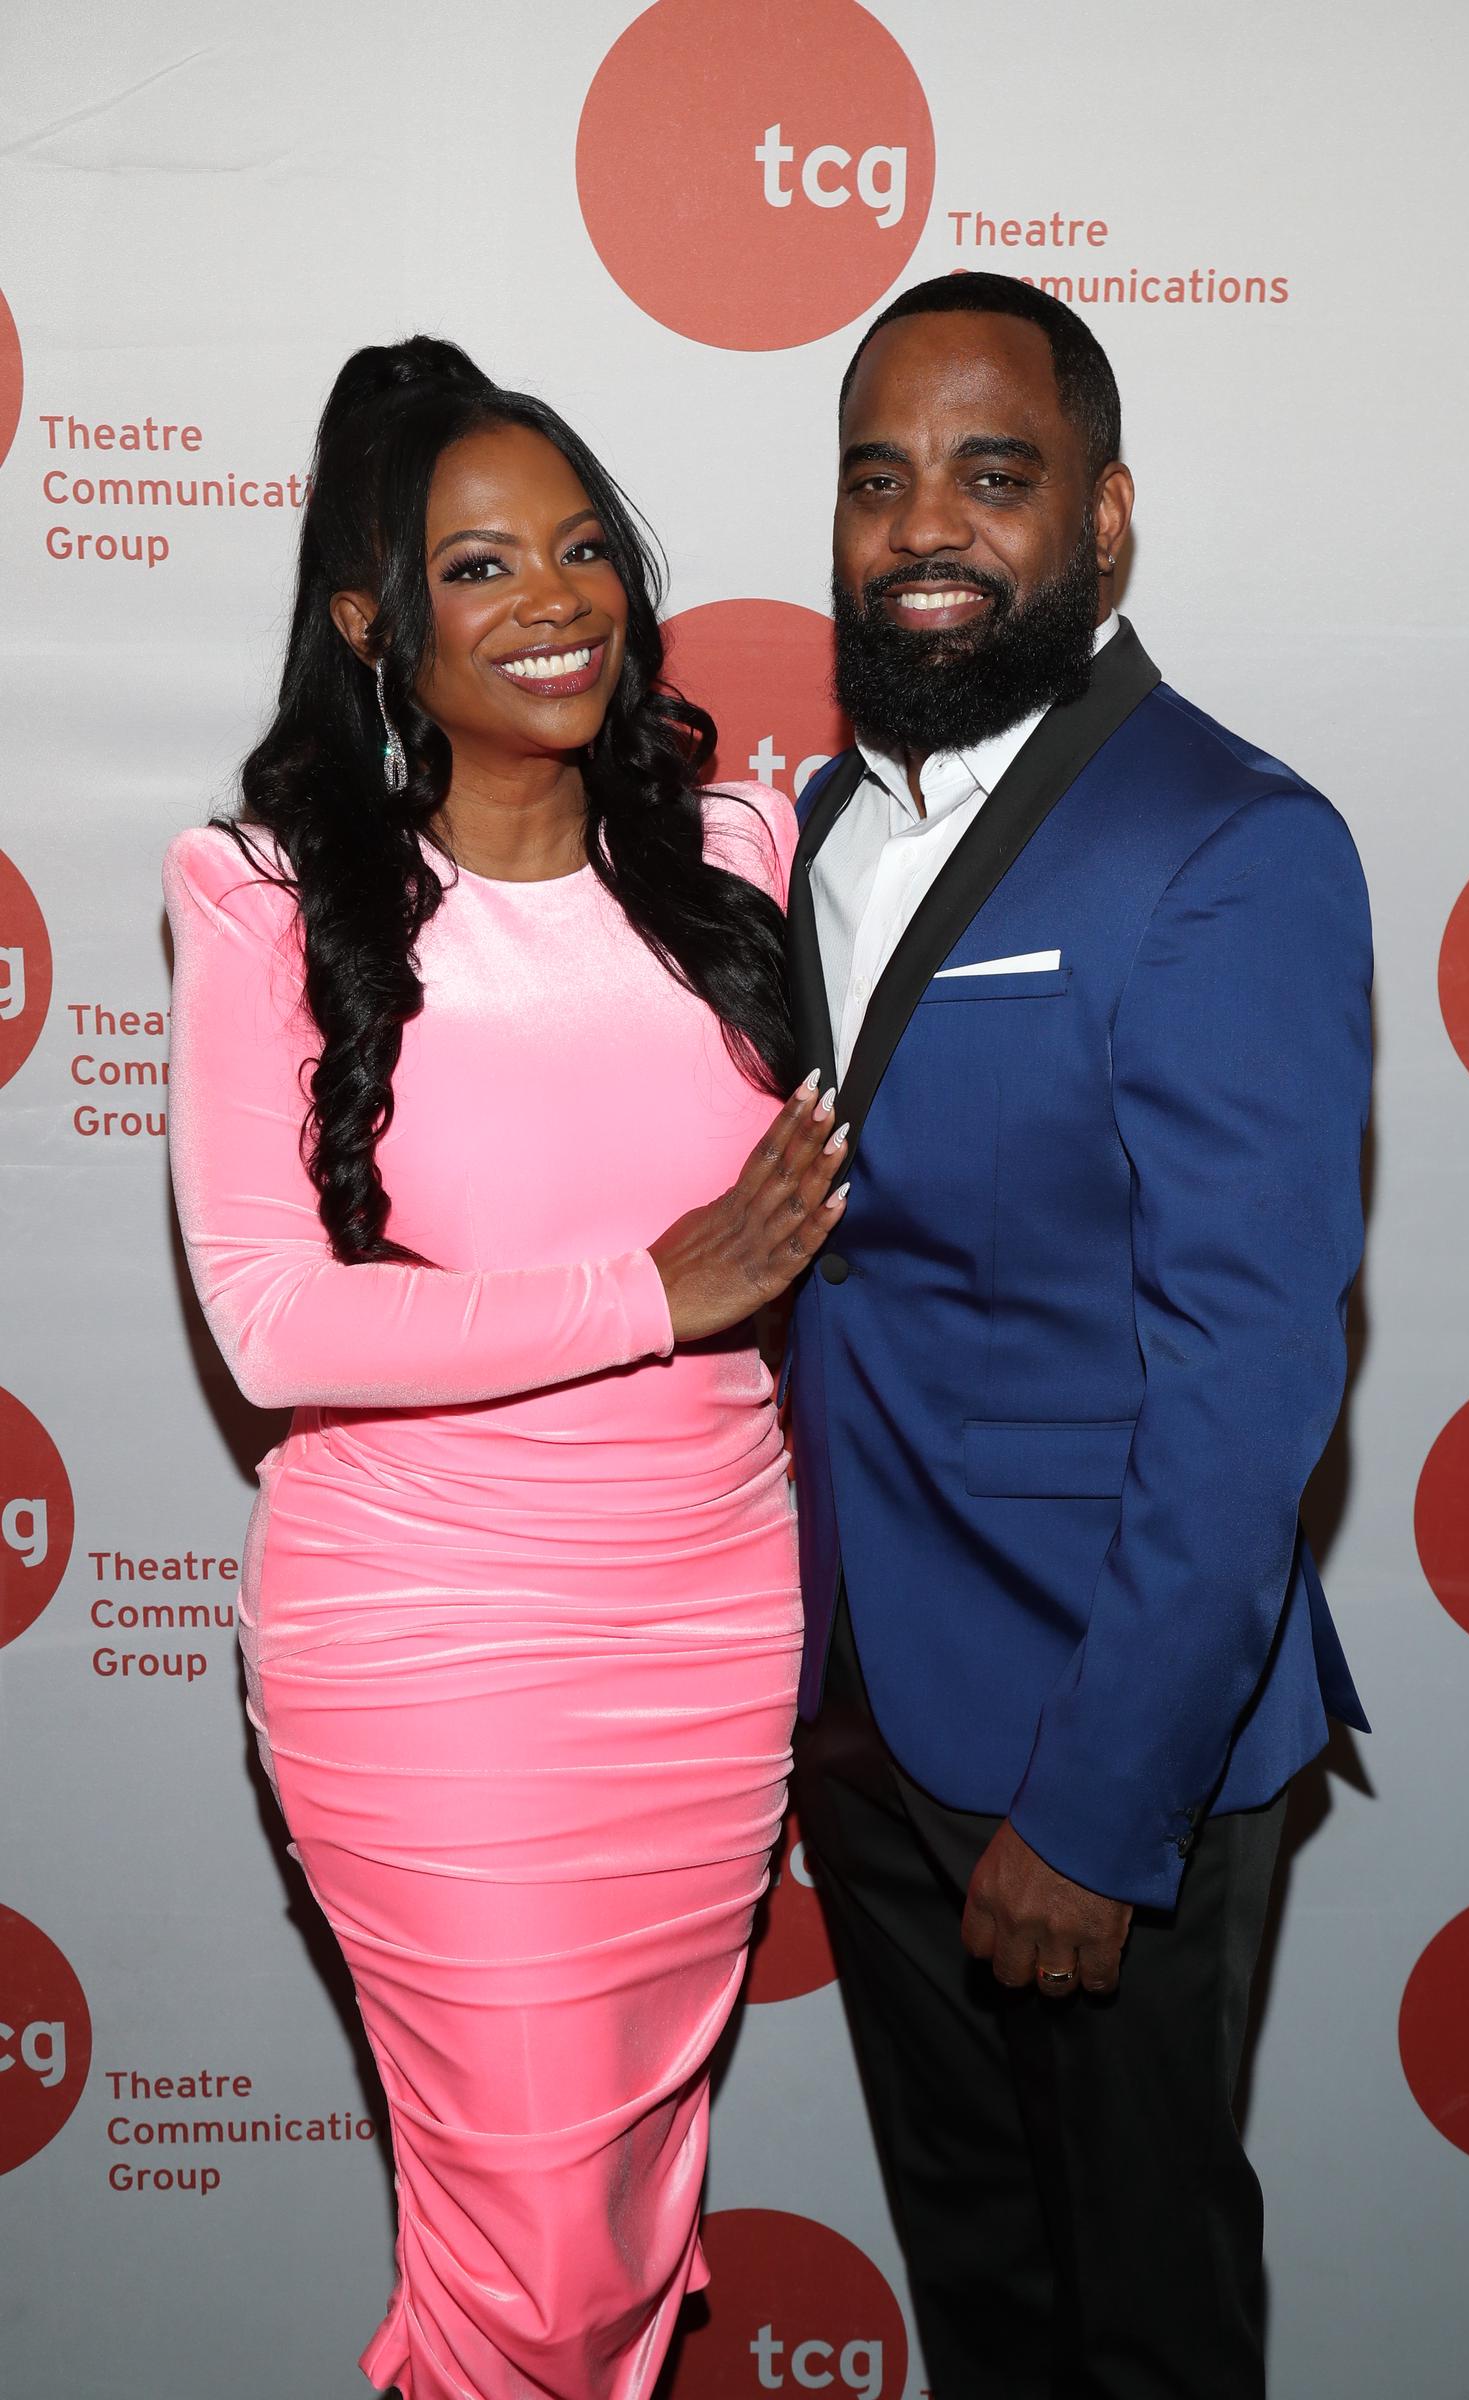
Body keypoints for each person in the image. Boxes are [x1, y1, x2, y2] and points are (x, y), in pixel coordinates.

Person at [164, 336, 844, 2400]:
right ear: (373, 620)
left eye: (579, 550)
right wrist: (658, 1288)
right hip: (430, 1650)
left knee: (614, 2241)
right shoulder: (271, 901)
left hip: (709, 1635)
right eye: (479, 568)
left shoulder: (743, 854)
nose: (552, 598)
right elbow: (277, 1322)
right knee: (535, 2269)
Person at [785, 273, 1372, 2399]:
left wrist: (1097, 1814)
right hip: (864, 1710)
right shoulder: (827, 832)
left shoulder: (1227, 843)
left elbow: (1245, 1375)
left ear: (1102, 522)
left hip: (1089, 1747)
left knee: (1139, 2335)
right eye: (875, 481)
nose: (920, 526)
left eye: (989, 475)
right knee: (984, 2310)